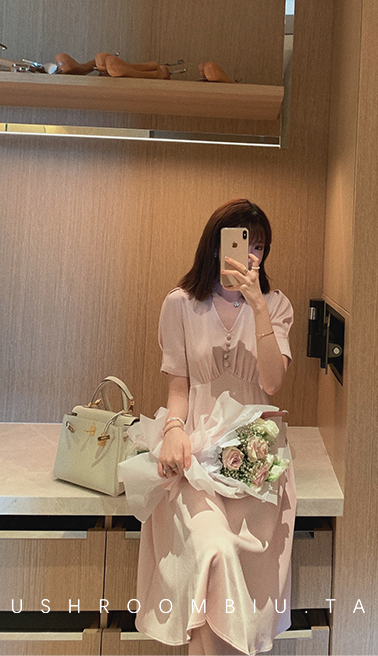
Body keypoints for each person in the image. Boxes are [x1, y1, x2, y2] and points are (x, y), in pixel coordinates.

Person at [134, 199, 296, 656]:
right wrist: (173, 429)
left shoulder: (276, 306)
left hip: (255, 456)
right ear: (215, 245)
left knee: (228, 585)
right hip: (198, 452)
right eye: (242, 243)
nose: (250, 255)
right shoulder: (180, 304)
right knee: (213, 551)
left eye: (259, 246)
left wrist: (258, 306)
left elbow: (272, 382)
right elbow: (178, 388)